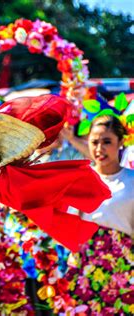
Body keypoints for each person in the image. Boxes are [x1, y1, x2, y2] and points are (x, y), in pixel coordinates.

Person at [64, 115, 133, 315]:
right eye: (94, 142)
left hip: (123, 266)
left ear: (121, 142)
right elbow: (71, 226)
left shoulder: (132, 181)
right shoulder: (81, 180)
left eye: (107, 142)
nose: (99, 148)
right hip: (83, 265)